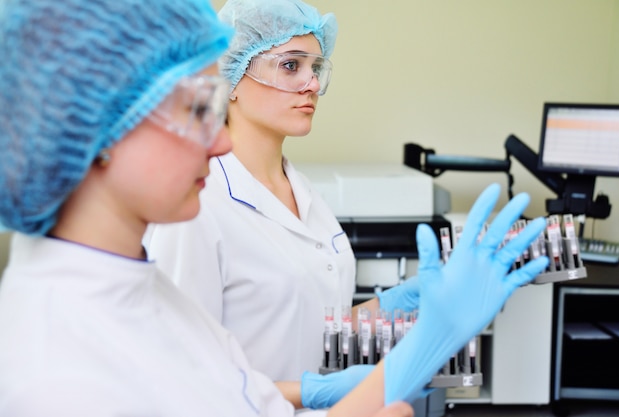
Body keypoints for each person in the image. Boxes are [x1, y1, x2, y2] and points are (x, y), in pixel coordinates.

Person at [0, 0, 550, 415]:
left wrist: (361, 359)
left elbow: (237, 391)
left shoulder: (136, 290)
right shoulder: (55, 367)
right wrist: (432, 340)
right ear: (98, 128)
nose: (217, 142)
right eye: (195, 109)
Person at [143, 0, 424, 392]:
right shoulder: (196, 207)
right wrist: (309, 392)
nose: (311, 84)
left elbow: (314, 322)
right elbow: (181, 375)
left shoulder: (305, 194)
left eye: (316, 69)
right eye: (291, 65)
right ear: (233, 80)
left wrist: (403, 305)